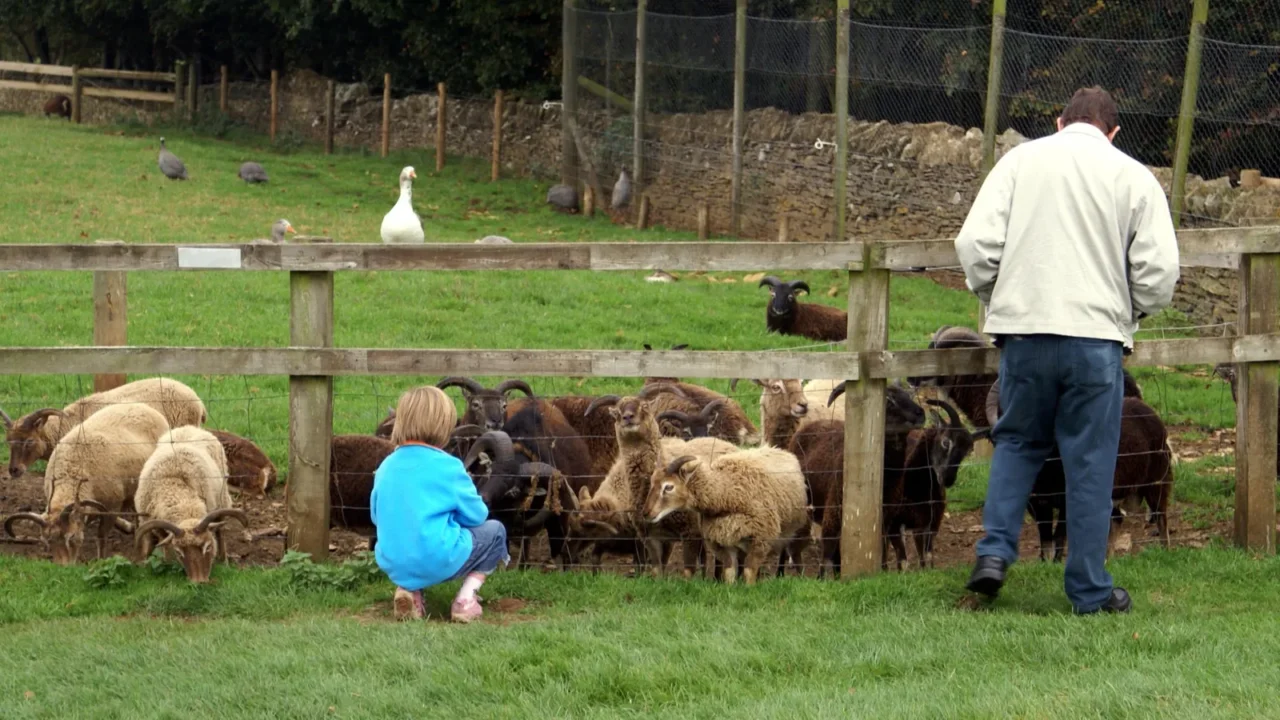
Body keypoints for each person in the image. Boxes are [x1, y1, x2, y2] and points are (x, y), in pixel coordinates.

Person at [954, 86, 1179, 614]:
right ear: (1113, 131)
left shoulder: (1018, 163)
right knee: (1090, 463)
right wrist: (1132, 312)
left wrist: (997, 297)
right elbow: (1160, 273)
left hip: (1026, 335)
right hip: (1096, 340)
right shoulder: (1134, 177)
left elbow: (973, 246)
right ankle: (1088, 590)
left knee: (1016, 443)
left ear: (1059, 123)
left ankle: (993, 555)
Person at [371, 385, 509, 623]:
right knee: (495, 532)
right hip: (436, 557)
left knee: (413, 536)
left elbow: (376, 515)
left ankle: (410, 593)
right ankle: (465, 601)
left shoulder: (386, 466)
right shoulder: (448, 466)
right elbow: (477, 516)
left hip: (392, 560)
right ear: (444, 425)